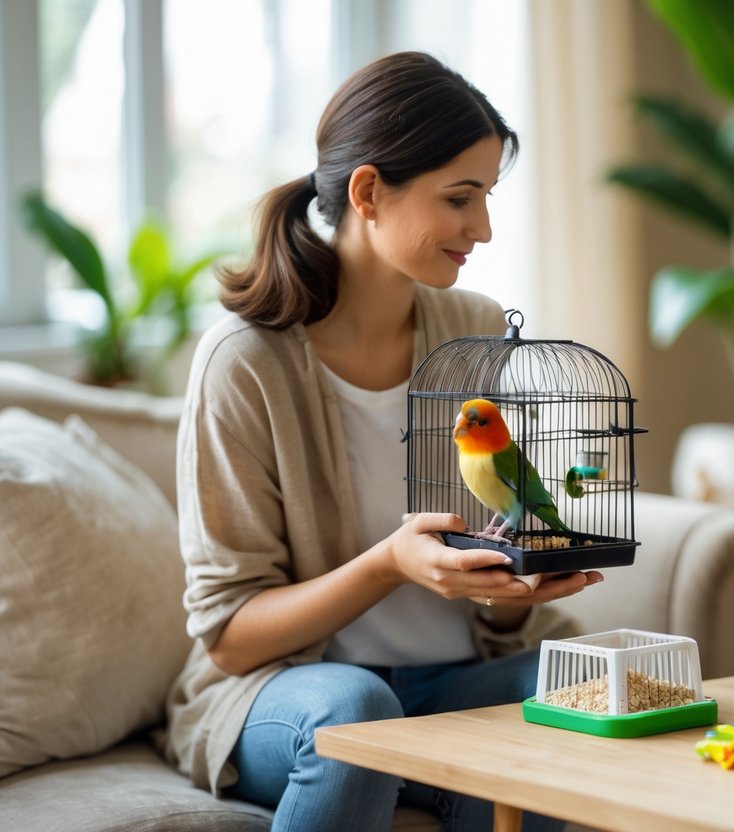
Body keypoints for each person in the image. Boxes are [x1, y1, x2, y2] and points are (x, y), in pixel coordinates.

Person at [162, 51, 600, 832]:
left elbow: (497, 571)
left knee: (589, 681)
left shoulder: (472, 329)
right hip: (290, 691)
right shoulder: (246, 362)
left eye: (488, 198)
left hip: (454, 678)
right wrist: (388, 566)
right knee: (357, 710)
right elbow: (230, 638)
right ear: (368, 192)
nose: (485, 229)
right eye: (460, 198)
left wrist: (512, 589)